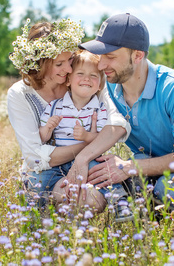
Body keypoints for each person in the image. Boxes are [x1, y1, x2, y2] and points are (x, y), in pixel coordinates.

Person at [79, 13, 174, 207]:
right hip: (143, 167)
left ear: (137, 55)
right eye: (101, 56)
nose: (101, 65)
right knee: (95, 172)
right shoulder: (109, 85)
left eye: (110, 57)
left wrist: (129, 167)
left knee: (166, 188)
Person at [7, 18, 130, 213]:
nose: (68, 69)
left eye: (70, 61)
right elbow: (34, 158)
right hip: (47, 171)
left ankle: (118, 207)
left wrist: (84, 158)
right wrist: (88, 145)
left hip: (87, 163)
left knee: (86, 200)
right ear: (40, 64)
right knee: (68, 197)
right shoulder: (20, 94)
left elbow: (118, 121)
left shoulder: (84, 81)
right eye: (59, 64)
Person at [39, 49, 133, 222]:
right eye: (80, 74)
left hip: (89, 158)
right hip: (60, 160)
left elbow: (103, 139)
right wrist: (47, 129)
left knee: (101, 173)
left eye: (93, 76)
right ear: (68, 80)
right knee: (41, 181)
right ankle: (39, 212)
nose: (86, 79)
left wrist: (86, 136)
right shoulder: (55, 106)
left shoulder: (99, 108)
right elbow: (41, 138)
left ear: (100, 85)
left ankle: (120, 202)